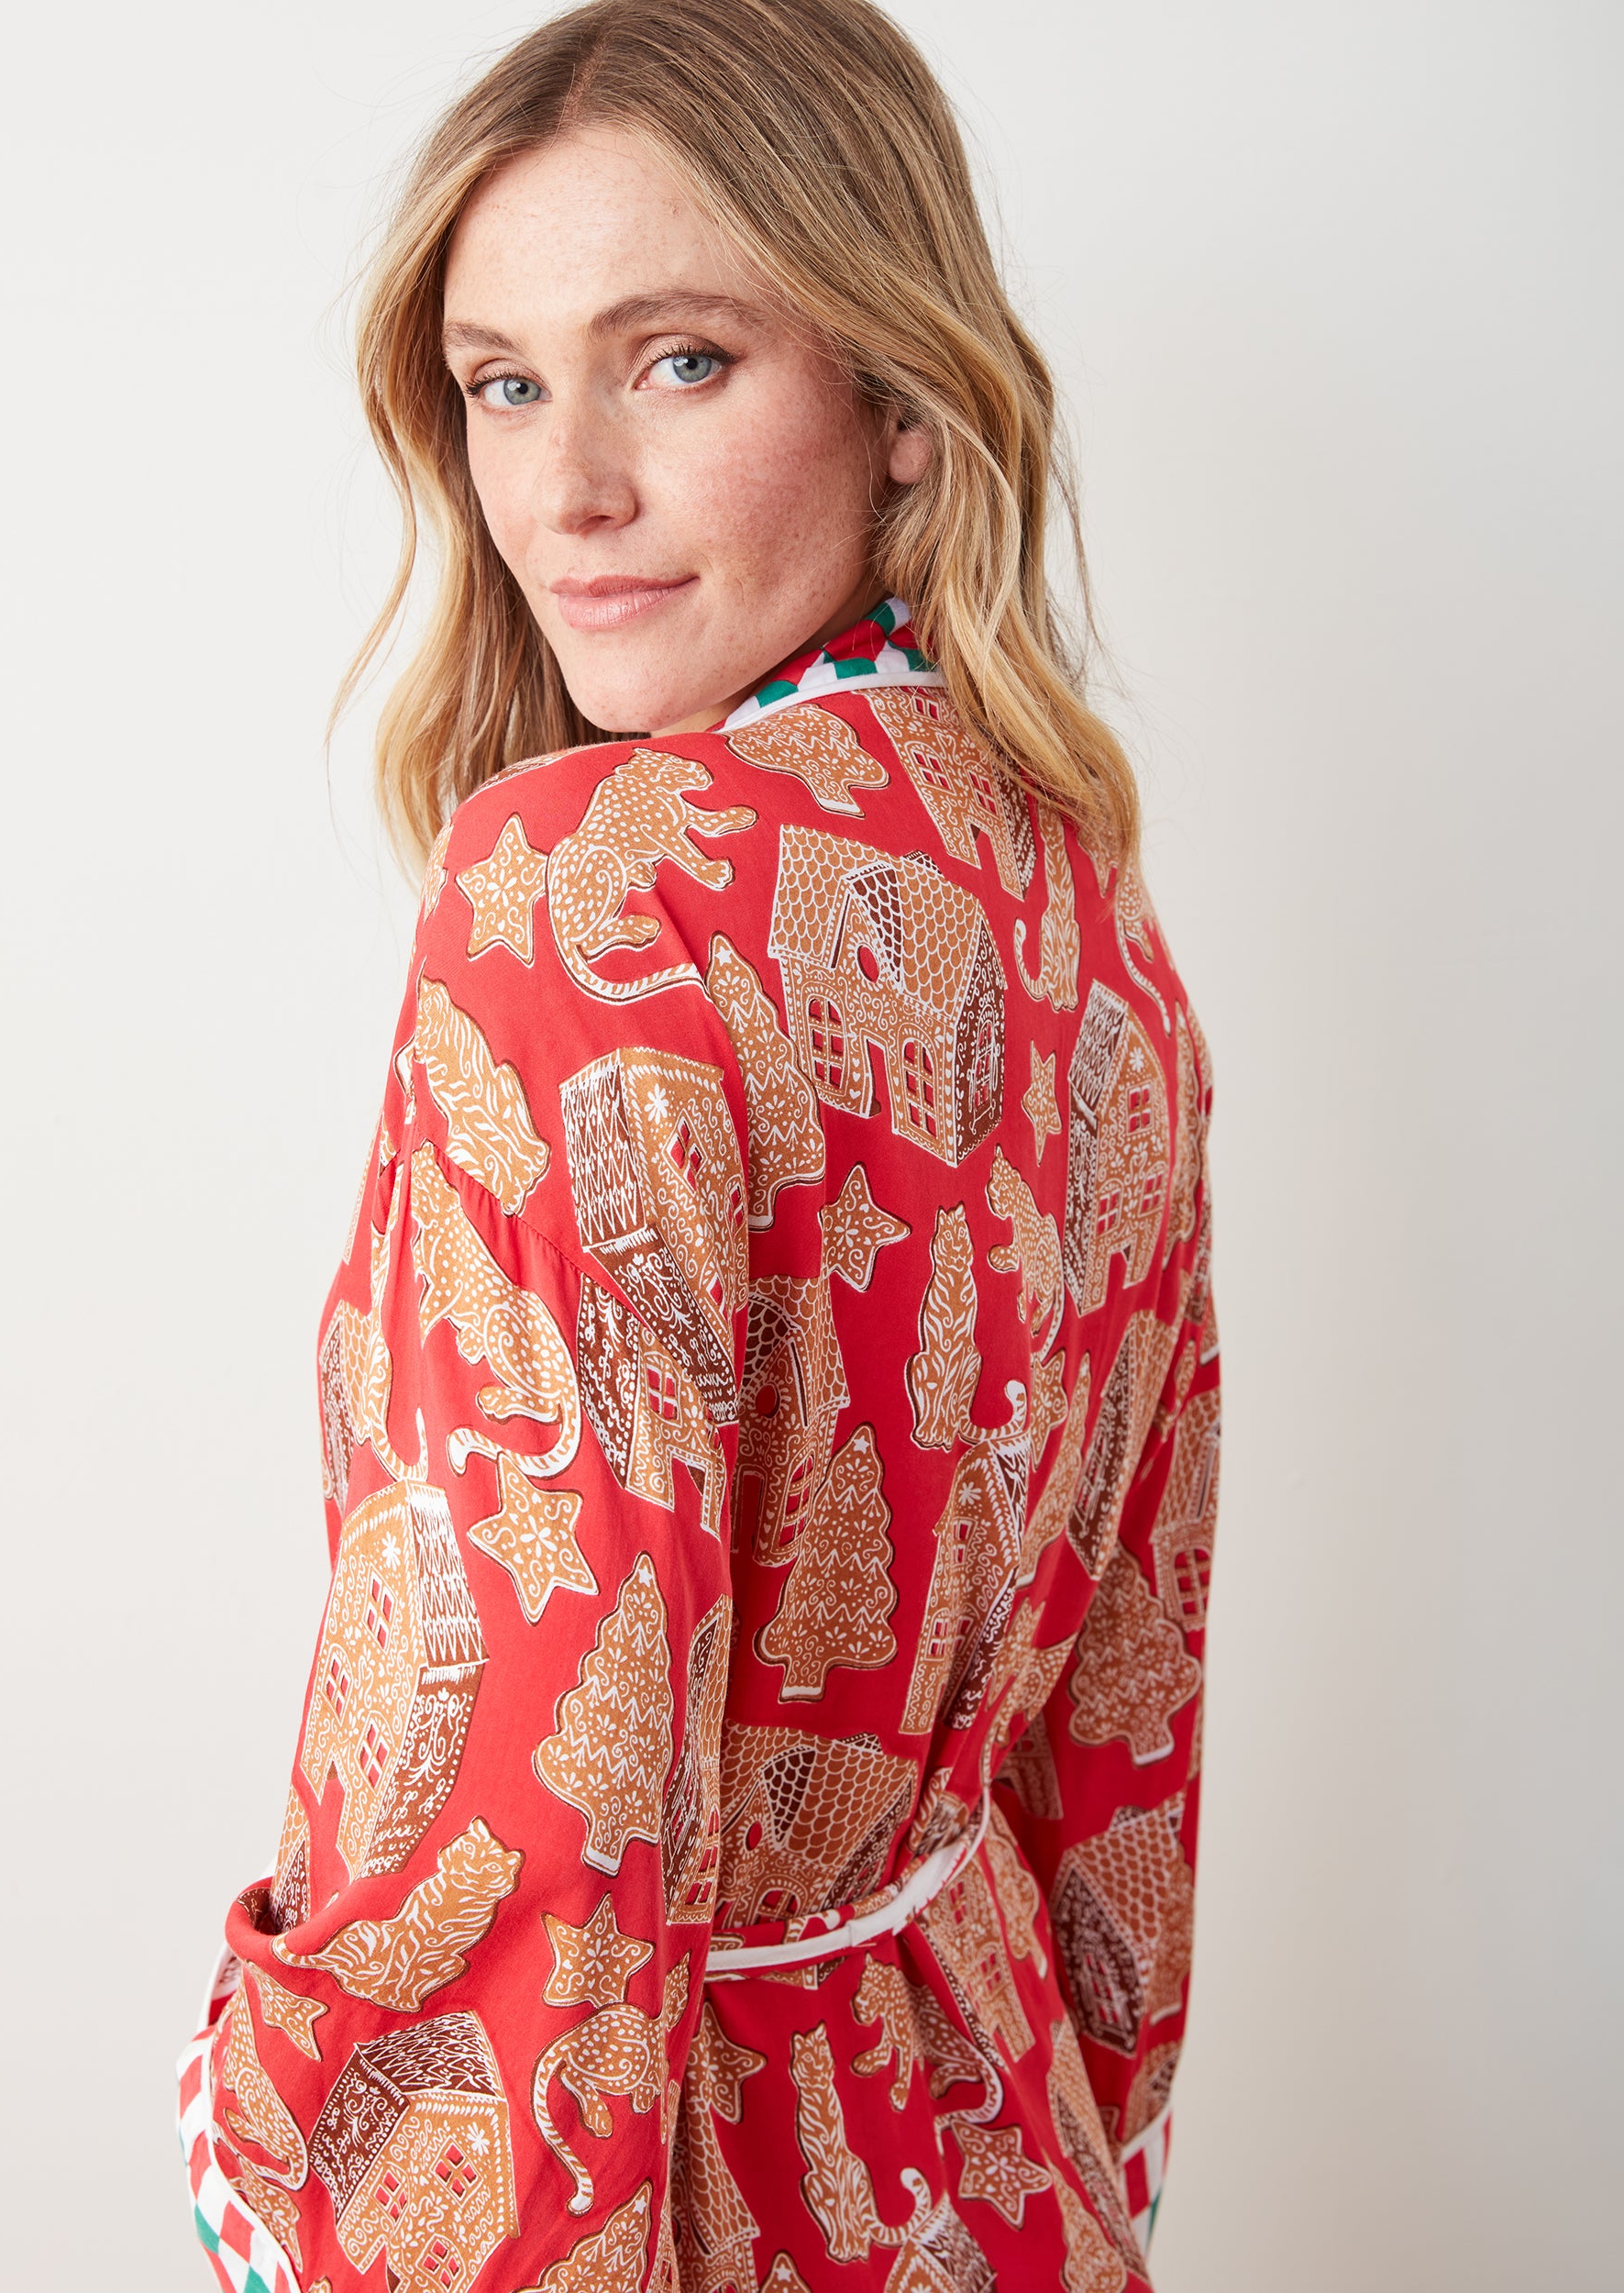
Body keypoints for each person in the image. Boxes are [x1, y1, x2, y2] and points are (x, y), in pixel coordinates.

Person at [177, 3, 1219, 2287]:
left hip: (676, 2182)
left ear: (903, 397)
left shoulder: (580, 897)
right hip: (1000, 2150)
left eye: (678, 361)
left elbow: (518, 1758)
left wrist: (340, 2171)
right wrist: (1092, 2119)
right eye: (501, 382)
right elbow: (1128, 1695)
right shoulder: (1077, 900)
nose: (565, 489)